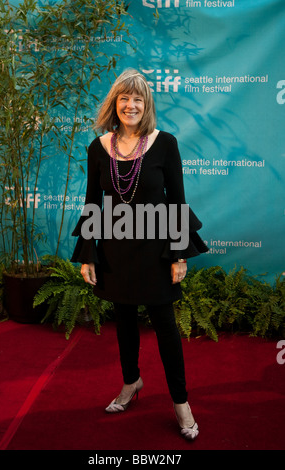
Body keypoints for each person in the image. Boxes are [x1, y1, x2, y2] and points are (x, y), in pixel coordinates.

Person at [71, 69, 208, 441]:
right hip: (115, 249)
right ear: (115, 104)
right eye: (124, 99)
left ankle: (181, 403)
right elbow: (92, 203)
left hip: (155, 250)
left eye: (138, 99)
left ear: (146, 105)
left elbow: (177, 201)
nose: (131, 105)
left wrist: (179, 255)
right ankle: (131, 383)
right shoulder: (98, 147)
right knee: (125, 321)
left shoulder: (165, 143)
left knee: (165, 327)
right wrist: (88, 255)